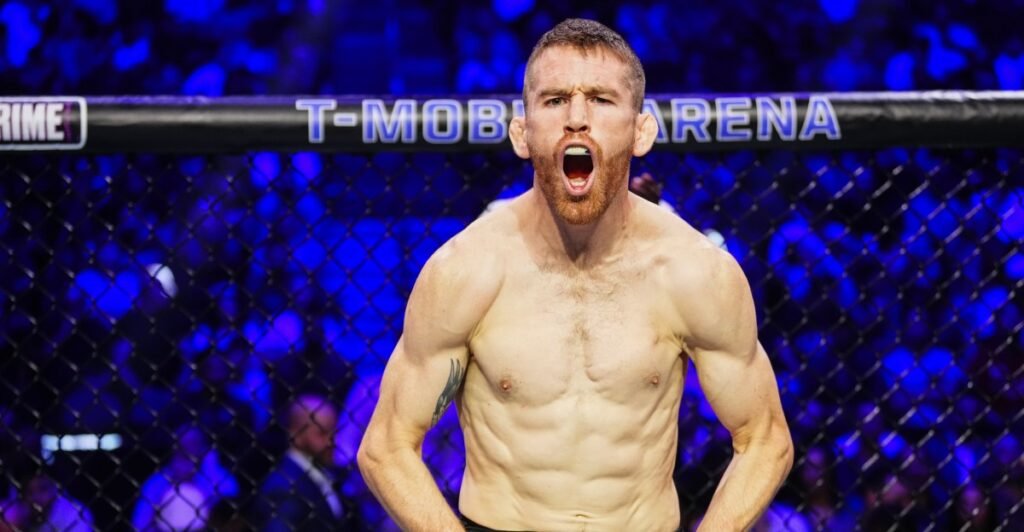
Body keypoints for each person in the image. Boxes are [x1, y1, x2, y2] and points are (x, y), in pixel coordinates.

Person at [358, 18, 793, 531]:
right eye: (555, 100)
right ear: (522, 133)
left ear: (641, 131)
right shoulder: (466, 271)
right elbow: (386, 445)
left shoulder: (694, 271)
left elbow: (765, 438)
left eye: (602, 100)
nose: (577, 119)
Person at [255, 394, 352, 531]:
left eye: (334, 432)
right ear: (296, 434)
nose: (331, 441)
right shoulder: (283, 487)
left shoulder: (324, 475)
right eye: (322, 433)